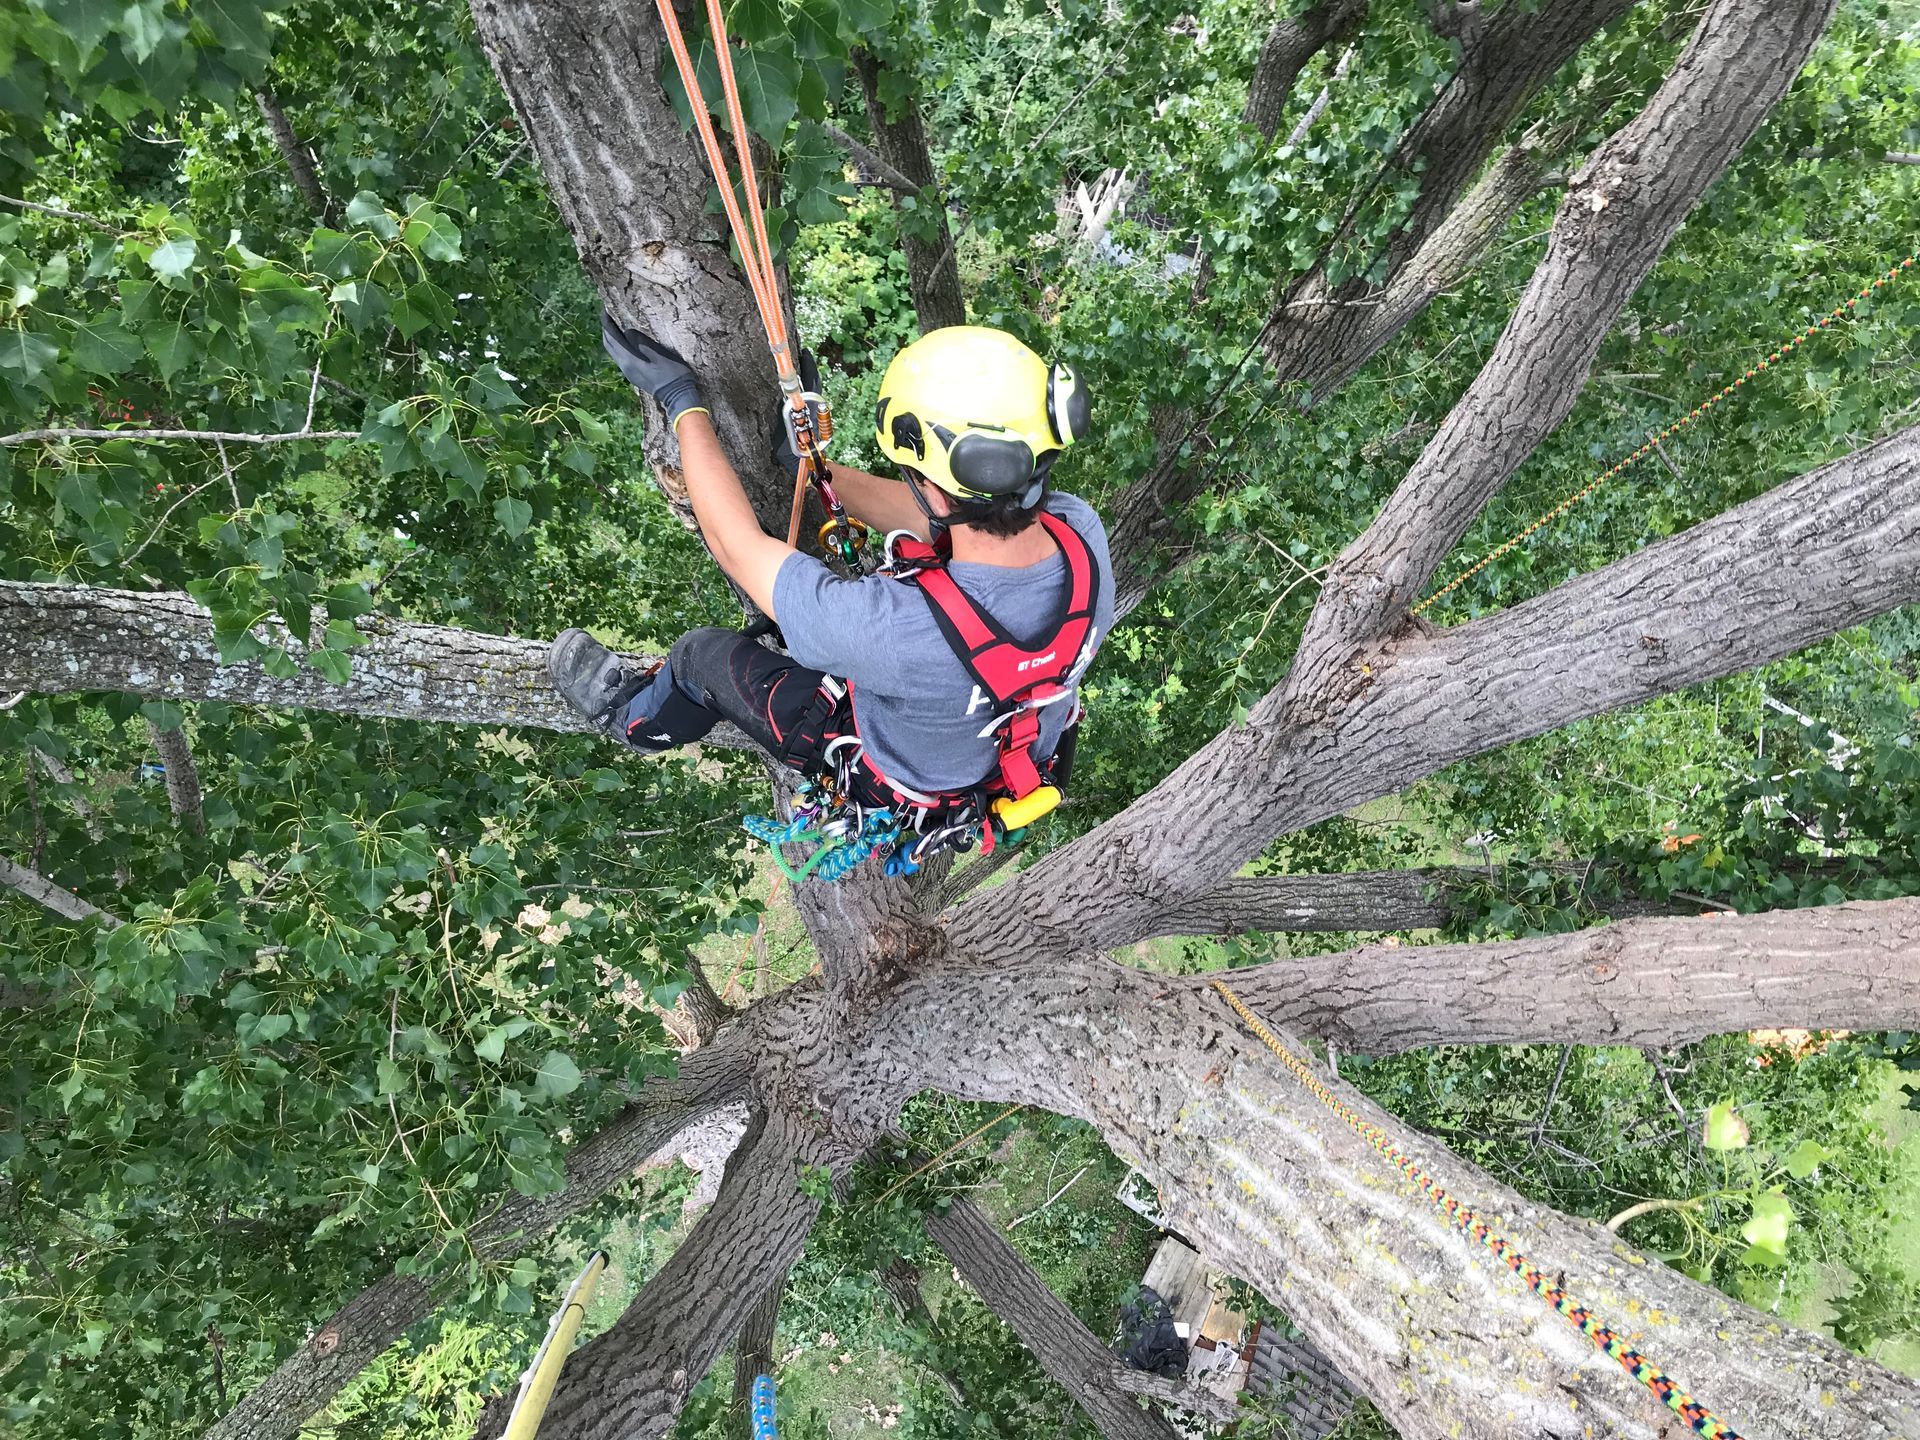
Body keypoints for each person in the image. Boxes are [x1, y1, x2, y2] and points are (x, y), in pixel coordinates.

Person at [549, 318, 1114, 847]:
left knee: (701, 656)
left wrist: (683, 405)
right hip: (1003, 753)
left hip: (899, 780)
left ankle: (629, 720)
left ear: (932, 485)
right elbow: (945, 514)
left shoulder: (884, 626)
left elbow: (735, 544)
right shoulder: (1080, 533)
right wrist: (806, 466)